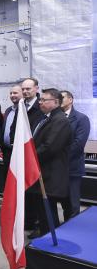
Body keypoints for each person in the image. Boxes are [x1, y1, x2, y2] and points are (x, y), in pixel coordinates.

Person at [30, 88, 72, 237]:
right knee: (43, 212)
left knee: (48, 213)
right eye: (40, 100)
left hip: (51, 175)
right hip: (43, 174)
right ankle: (45, 237)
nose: (40, 102)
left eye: (44, 100)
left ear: (55, 102)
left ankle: (50, 241)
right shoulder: (47, 118)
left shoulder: (60, 120)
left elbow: (49, 147)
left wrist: (29, 158)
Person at [10, 78, 45, 231]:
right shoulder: (21, 105)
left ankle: (38, 223)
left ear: (36, 89)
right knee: (25, 191)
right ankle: (28, 221)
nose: (25, 92)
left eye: (28, 89)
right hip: (20, 155)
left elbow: (41, 133)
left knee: (36, 192)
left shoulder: (41, 107)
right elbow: (14, 129)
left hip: (35, 156)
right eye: (23, 89)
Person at [60, 90, 90, 219]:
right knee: (63, 201)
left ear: (70, 99)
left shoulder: (81, 118)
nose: (59, 100)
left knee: (73, 203)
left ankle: (72, 228)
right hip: (57, 168)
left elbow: (78, 144)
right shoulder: (55, 117)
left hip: (72, 167)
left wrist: (60, 157)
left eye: (62, 98)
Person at [0, 85, 22, 192]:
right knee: (7, 180)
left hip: (19, 153)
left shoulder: (24, 111)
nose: (12, 95)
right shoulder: (8, 110)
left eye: (15, 93)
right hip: (7, 152)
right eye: (11, 93)